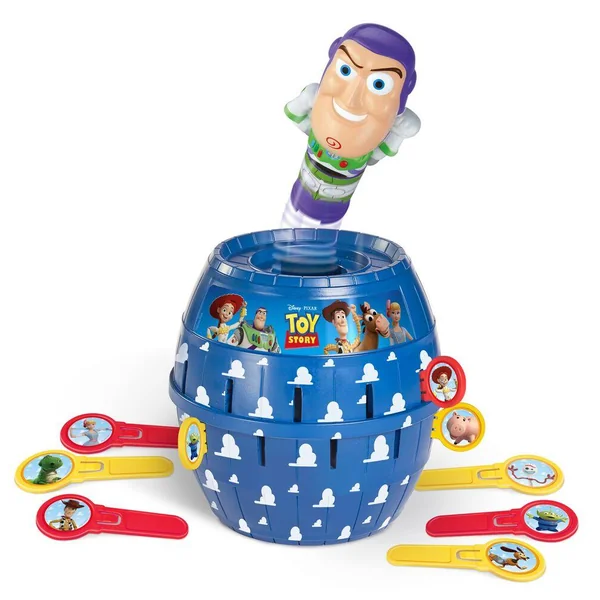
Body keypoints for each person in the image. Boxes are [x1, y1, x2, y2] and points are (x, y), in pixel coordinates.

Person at [281, 23, 420, 229]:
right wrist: (308, 101)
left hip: (335, 208)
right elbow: (295, 114)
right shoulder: (319, 103)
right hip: (300, 195)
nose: (352, 100)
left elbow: (373, 158)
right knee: (290, 225)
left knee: (321, 234)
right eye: (345, 70)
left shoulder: (374, 133)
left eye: (379, 84)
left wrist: (398, 132)